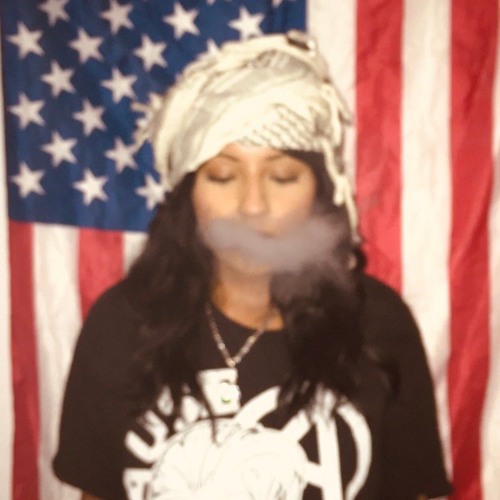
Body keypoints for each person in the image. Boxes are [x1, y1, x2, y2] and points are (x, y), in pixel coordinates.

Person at [53, 31, 452, 500]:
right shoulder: (122, 324)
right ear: (189, 193)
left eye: (282, 176)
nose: (253, 205)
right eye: (223, 176)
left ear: (319, 191)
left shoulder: (377, 323)